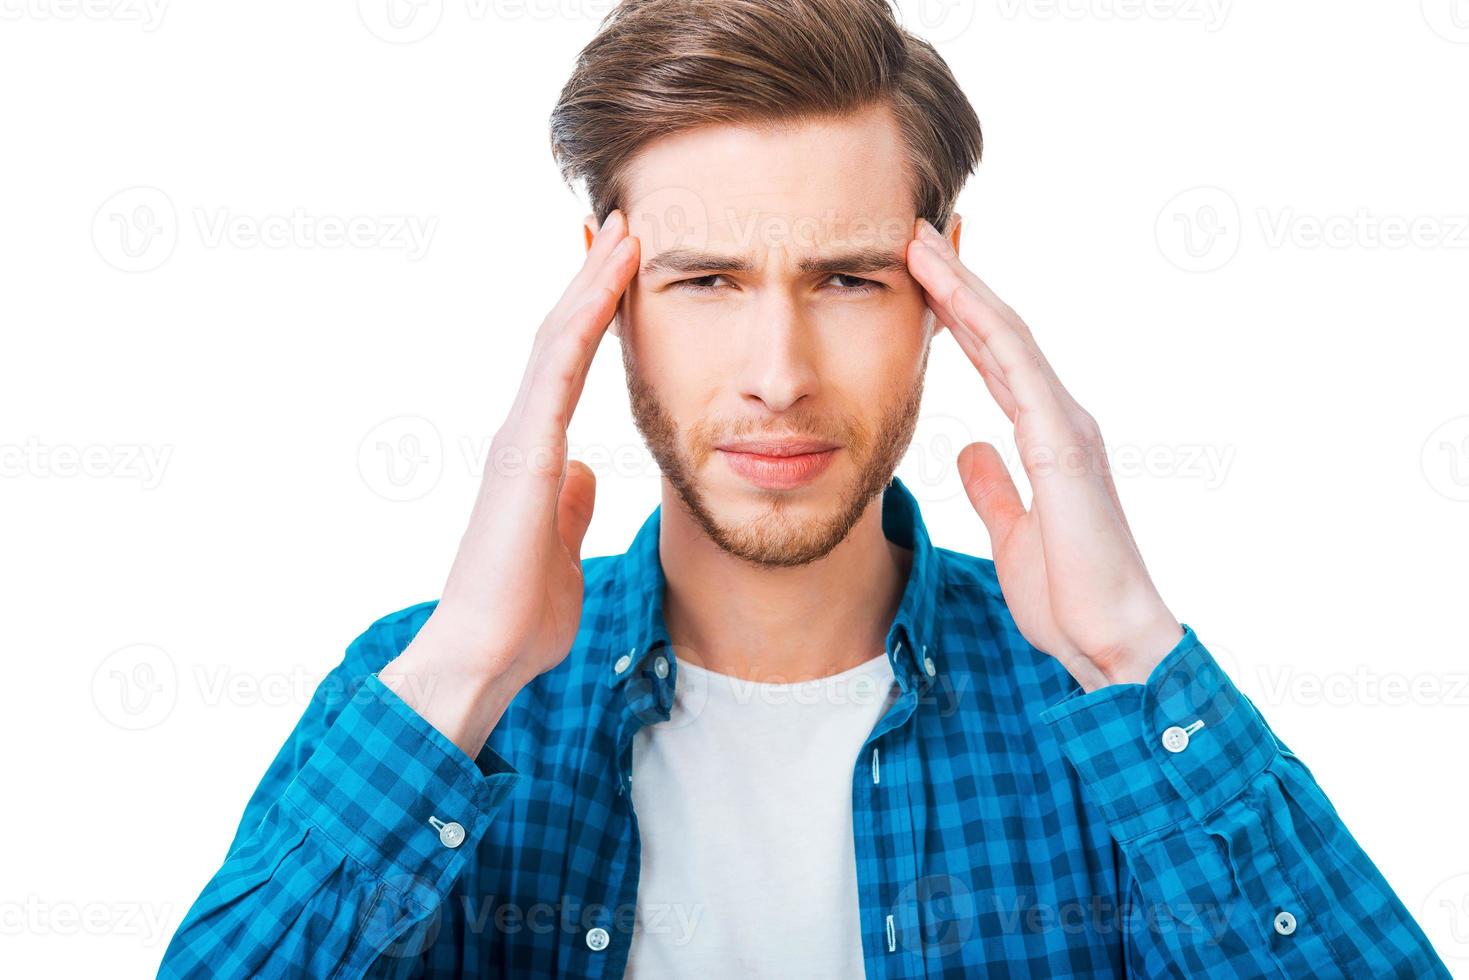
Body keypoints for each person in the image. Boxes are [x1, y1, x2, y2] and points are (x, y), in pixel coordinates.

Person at [157, 0, 1450, 976]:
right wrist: (463, 676)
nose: (776, 375)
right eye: (704, 281)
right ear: (600, 297)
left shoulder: (1118, 728)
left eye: (845, 279)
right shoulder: (429, 696)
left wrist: (1128, 655)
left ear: (943, 288)